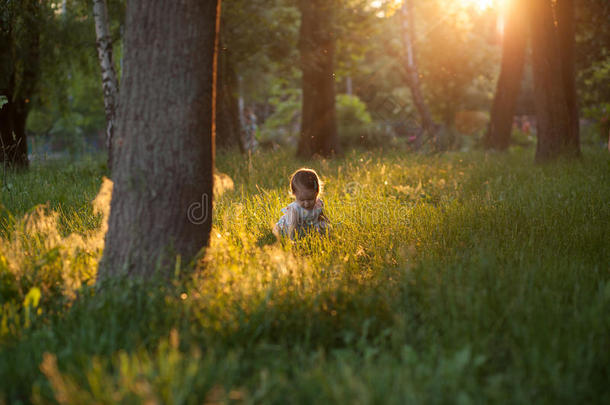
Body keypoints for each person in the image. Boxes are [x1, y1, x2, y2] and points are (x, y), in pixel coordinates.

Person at [273, 168, 329, 240]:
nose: (306, 203)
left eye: (311, 199)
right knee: (278, 230)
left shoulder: (318, 204)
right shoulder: (295, 209)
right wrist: (291, 240)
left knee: (322, 226)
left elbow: (322, 217)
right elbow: (292, 227)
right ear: (294, 194)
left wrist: (327, 226)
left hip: (307, 227)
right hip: (289, 227)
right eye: (302, 200)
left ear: (317, 192)